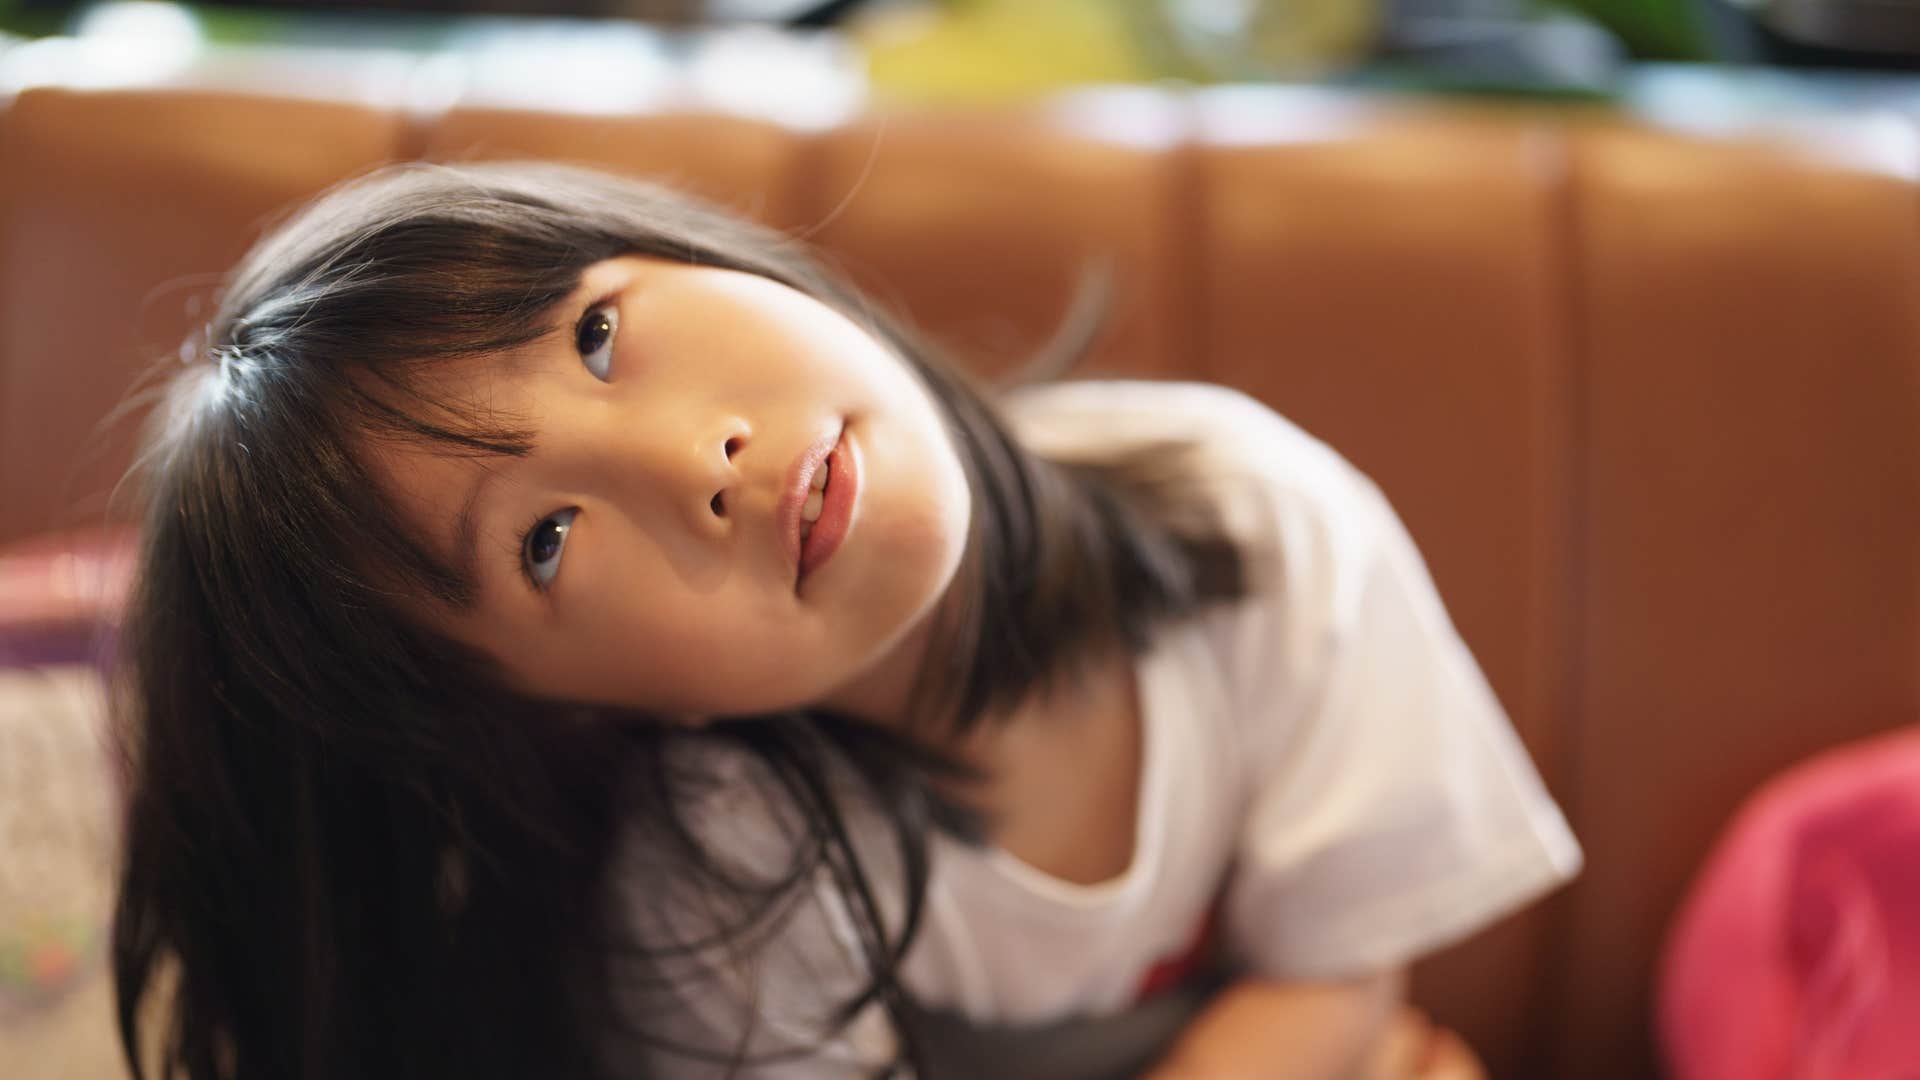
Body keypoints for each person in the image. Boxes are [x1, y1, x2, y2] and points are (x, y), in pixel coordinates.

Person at [109, 160, 1582, 1080]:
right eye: (547, 544)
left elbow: (1341, 970)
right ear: (568, 711)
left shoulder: (1256, 520)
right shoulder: (720, 879)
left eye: (598, 334)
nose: (697, 466)